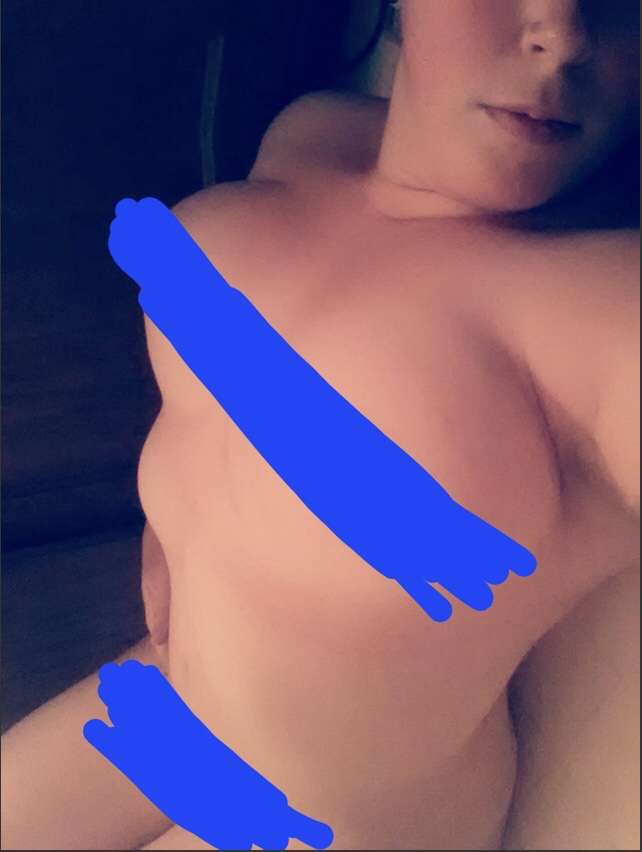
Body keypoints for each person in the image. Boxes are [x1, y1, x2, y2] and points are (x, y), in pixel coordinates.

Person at [2, 1, 640, 849]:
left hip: (332, 824)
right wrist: (169, 534)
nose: (563, 35)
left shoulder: (606, 308)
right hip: (175, 698)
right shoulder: (316, 133)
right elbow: (216, 390)